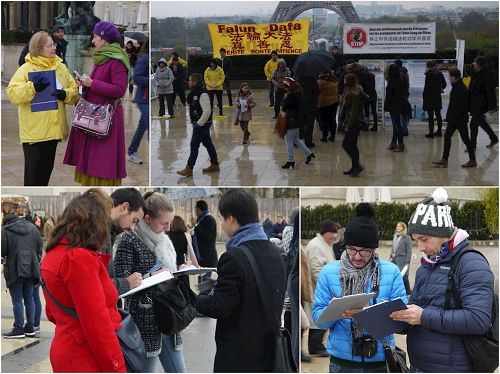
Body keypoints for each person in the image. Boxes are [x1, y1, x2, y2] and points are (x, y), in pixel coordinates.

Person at [390, 188, 494, 372]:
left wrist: (423, 316)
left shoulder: (471, 263)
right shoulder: (426, 266)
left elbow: (478, 319)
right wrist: (391, 317)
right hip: (418, 366)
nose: (420, 248)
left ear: (443, 233)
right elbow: (416, 312)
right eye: (416, 240)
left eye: (424, 239)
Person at [196, 189, 287, 372]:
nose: (221, 224)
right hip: (269, 354)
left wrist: (195, 298)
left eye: (222, 219)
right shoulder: (276, 253)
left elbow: (219, 306)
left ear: (231, 219)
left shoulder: (234, 257)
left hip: (239, 357)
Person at [313, 203, 407, 373]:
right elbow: (319, 321)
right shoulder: (328, 272)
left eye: (364, 251)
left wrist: (367, 313)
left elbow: (402, 321)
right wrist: (337, 311)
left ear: (373, 249)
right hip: (341, 362)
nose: (356, 256)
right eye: (351, 249)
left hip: (380, 360)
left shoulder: (391, 272)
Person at [39, 189, 126, 372]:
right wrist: (116, 366)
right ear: (95, 223)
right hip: (87, 356)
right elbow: (97, 324)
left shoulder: (53, 254)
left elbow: (52, 313)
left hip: (68, 347)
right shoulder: (79, 259)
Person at [115, 192, 188, 373]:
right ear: (147, 219)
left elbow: (167, 271)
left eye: (170, 223)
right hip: (145, 320)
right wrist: (150, 276)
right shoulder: (129, 239)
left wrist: (181, 269)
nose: (168, 228)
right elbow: (121, 282)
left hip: (169, 316)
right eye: (164, 223)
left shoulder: (164, 240)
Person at [7, 31, 78, 186]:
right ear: (39, 48)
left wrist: (64, 94)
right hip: (33, 135)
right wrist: (32, 88)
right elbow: (12, 94)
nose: (54, 47)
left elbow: (74, 93)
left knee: (44, 177)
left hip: (53, 133)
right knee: (33, 181)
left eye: (53, 44)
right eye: (50, 45)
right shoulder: (25, 69)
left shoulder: (61, 68)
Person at [63, 21, 130, 186]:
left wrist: (92, 84)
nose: (93, 41)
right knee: (92, 161)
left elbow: (119, 90)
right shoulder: (102, 57)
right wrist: (84, 84)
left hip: (106, 120)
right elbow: (97, 84)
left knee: (102, 163)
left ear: (104, 38)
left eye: (95, 37)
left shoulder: (117, 60)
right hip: (93, 117)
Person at [1, 213, 42, 339]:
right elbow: (39, 248)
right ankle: (30, 327)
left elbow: (2, 251)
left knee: (17, 300)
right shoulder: (33, 229)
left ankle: (18, 329)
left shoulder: (5, 230)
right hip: (31, 268)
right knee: (29, 298)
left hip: (15, 269)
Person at [305, 220, 339, 357]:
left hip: (324, 288)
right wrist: (328, 288)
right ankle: (315, 345)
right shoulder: (317, 246)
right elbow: (316, 270)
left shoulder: (325, 244)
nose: (334, 236)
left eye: (336, 233)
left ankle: (316, 344)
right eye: (332, 233)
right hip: (318, 288)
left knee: (321, 317)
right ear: (324, 233)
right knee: (320, 317)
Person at [176, 73, 220, 177]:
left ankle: (189, 168)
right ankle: (215, 164)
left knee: (194, 145)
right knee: (207, 143)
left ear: (196, 82)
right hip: (201, 122)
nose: (189, 82)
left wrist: (199, 124)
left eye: (191, 80)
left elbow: (207, 110)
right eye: (189, 80)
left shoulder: (202, 93)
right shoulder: (195, 92)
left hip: (202, 124)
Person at [432, 68, 477, 168]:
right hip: (454, 119)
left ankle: (472, 160)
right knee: (447, 136)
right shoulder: (457, 86)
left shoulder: (461, 89)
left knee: (465, 139)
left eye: (449, 77)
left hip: (459, 119)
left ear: (453, 77)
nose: (448, 79)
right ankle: (444, 159)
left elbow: (462, 106)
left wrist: (455, 117)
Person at [281, 78, 315, 169]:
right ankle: (309, 153)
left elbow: (284, 107)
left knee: (289, 141)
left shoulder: (291, 96)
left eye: (285, 86)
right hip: (298, 119)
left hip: (291, 119)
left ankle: (290, 161)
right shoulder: (299, 93)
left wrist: (285, 98)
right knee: (296, 139)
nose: (283, 87)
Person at [468, 56, 499, 149]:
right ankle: (493, 138)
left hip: (481, 104)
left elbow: (490, 92)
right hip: (475, 103)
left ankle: (472, 145)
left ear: (479, 64)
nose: (473, 63)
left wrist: (493, 106)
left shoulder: (487, 75)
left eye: (475, 62)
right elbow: (471, 88)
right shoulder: (475, 73)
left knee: (473, 124)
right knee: (481, 122)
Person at [127, 39, 149, 165]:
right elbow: (137, 77)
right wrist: (149, 81)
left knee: (142, 127)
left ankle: (131, 152)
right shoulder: (143, 58)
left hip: (147, 98)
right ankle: (131, 152)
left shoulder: (148, 58)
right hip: (143, 99)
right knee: (148, 126)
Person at [342, 73, 368, 177]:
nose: (343, 81)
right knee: (352, 145)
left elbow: (354, 112)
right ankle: (354, 167)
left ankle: (357, 166)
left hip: (355, 122)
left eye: (345, 79)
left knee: (346, 144)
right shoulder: (349, 91)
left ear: (349, 81)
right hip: (352, 122)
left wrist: (348, 126)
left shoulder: (355, 93)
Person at [191, 200, 218, 284]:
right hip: (201, 258)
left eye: (195, 208)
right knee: (201, 282)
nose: (195, 211)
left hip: (208, 258)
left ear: (199, 209)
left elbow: (207, 237)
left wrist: (196, 225)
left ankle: (206, 296)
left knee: (204, 284)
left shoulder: (209, 219)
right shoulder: (202, 220)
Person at [384, 63, 410, 153]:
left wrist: (386, 108)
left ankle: (401, 144)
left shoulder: (391, 82)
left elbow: (388, 96)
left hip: (393, 106)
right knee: (396, 125)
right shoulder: (401, 80)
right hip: (402, 104)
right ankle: (393, 143)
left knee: (397, 125)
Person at [423, 60, 447, 138]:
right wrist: (438, 89)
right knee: (438, 114)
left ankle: (431, 133)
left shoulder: (429, 74)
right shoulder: (439, 73)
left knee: (430, 115)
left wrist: (424, 96)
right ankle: (439, 131)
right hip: (437, 96)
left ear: (428, 66)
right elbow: (444, 84)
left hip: (429, 97)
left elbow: (426, 88)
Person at [389, 222, 412, 295]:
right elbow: (393, 248)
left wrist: (408, 262)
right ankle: (396, 292)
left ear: (403, 228)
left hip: (403, 261)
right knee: (393, 275)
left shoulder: (407, 238)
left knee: (404, 277)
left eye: (399, 226)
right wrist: (390, 255)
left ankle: (408, 293)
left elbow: (409, 251)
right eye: (397, 226)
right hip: (394, 259)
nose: (398, 227)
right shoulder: (395, 236)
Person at [317, 71, 339, 142]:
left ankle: (324, 137)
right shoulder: (334, 81)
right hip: (334, 102)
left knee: (324, 120)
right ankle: (332, 136)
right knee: (332, 119)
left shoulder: (320, 82)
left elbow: (316, 91)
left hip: (324, 103)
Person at [298, 75, 320, 147]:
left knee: (300, 122)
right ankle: (308, 142)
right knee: (309, 124)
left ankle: (298, 140)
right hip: (310, 103)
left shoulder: (298, 77)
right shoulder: (312, 78)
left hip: (300, 103)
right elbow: (317, 91)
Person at [394, 59, 410, 136]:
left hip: (400, 96)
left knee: (401, 113)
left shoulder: (399, 74)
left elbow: (398, 86)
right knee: (405, 112)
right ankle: (405, 128)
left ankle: (404, 129)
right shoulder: (406, 73)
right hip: (405, 95)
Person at [362, 67, 378, 131]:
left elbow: (364, 87)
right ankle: (375, 126)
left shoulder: (364, 77)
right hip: (374, 95)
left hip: (367, 96)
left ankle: (366, 127)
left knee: (367, 112)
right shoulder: (373, 76)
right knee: (374, 111)